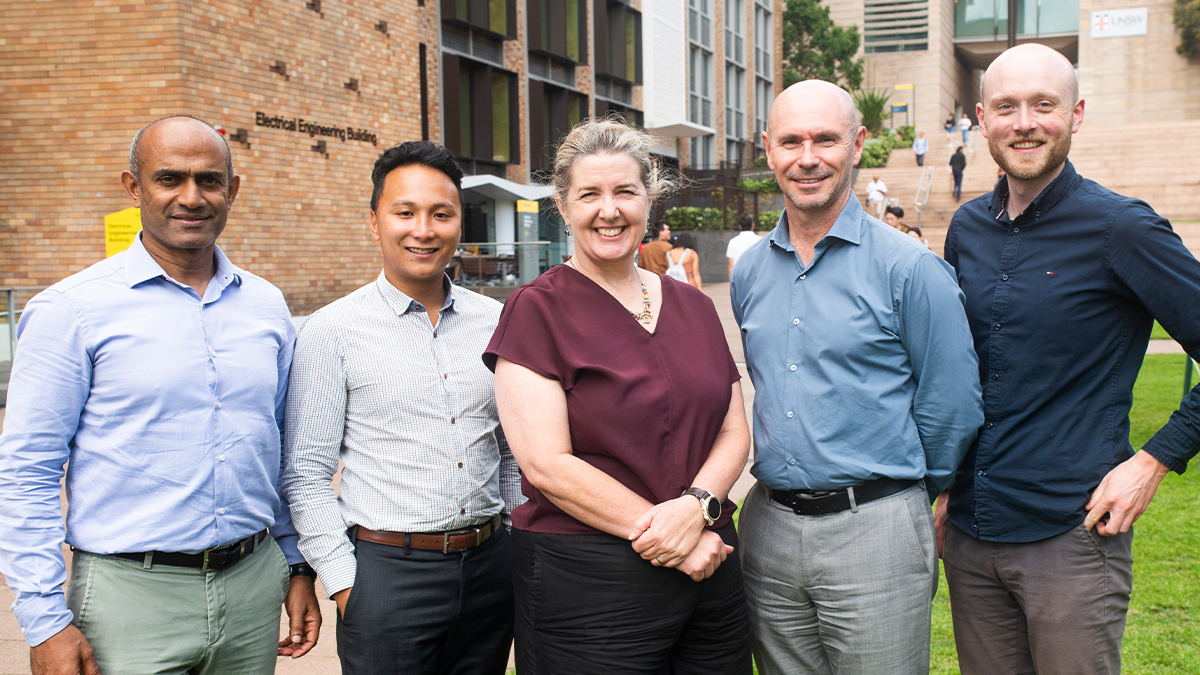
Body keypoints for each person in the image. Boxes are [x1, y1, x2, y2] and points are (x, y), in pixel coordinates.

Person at [0, 115, 321, 675]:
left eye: (209, 180)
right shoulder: (70, 311)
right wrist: (44, 618)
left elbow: (278, 451)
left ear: (232, 189)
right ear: (134, 187)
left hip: (251, 589)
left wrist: (296, 565)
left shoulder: (266, 306)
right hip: (128, 599)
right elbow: (26, 470)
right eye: (169, 178)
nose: (191, 197)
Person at [941, 43, 1200, 675]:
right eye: (1006, 106)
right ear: (982, 118)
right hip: (971, 534)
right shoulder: (966, 227)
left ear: (1076, 114)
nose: (1024, 122)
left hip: (1073, 533)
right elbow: (953, 369)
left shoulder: (1124, 228)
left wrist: (1154, 460)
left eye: (1044, 104)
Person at [733, 80, 984, 675]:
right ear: (768, 148)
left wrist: (899, 499)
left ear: (858, 144)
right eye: (791, 141)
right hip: (767, 528)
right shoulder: (748, 273)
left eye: (826, 139)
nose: (808, 157)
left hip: (876, 530)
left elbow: (952, 407)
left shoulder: (912, 269)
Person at [485, 118, 753, 674]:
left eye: (625, 191)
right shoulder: (536, 310)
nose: (609, 210)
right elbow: (547, 463)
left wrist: (697, 509)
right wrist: (675, 535)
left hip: (711, 566)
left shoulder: (695, 307)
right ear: (563, 206)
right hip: (589, 586)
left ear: (648, 200)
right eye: (590, 194)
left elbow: (732, 429)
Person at [281, 142, 521, 674]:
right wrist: (346, 584)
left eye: (441, 214)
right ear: (374, 222)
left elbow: (510, 450)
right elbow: (305, 473)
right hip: (387, 575)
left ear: (460, 223)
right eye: (405, 212)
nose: (424, 229)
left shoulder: (497, 321)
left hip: (489, 567)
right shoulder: (332, 331)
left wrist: (511, 538)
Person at [726, 212, 762, 277]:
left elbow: (731, 264)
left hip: (738, 277)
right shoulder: (760, 240)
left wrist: (731, 284)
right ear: (753, 225)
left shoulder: (733, 242)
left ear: (740, 226)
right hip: (755, 277)